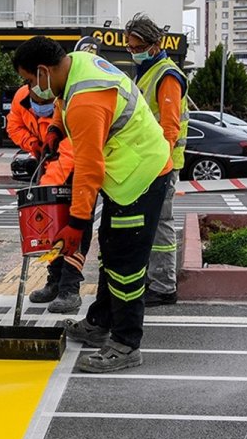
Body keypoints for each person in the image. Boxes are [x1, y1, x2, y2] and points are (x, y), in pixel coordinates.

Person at [11, 36, 172, 373]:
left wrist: (77, 224)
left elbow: (88, 168)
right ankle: (99, 323)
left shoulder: (86, 101)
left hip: (139, 176)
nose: (30, 89)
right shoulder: (75, 64)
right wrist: (56, 129)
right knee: (110, 251)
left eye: (29, 80)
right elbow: (62, 101)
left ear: (43, 71)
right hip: (127, 171)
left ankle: (126, 343)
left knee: (125, 262)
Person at [7, 36, 101, 313]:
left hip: (75, 171)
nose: (32, 89)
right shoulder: (23, 97)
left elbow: (72, 153)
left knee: (76, 228)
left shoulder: (71, 99)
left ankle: (70, 287)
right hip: (47, 164)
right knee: (49, 228)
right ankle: (54, 280)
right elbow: (13, 127)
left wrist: (46, 189)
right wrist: (34, 144)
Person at [125, 13, 188, 307]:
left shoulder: (167, 75)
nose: (133, 52)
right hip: (149, 162)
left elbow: (170, 127)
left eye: (137, 47)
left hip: (161, 164)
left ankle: (164, 286)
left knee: (161, 224)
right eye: (129, 47)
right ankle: (155, 279)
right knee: (151, 223)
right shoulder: (147, 72)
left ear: (155, 45)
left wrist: (158, 165)